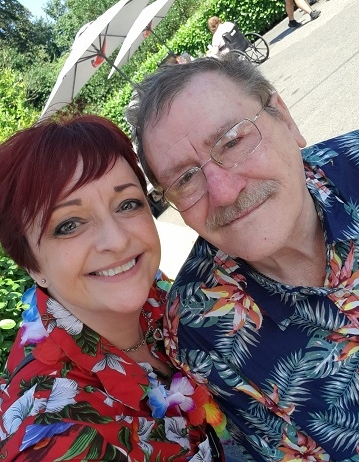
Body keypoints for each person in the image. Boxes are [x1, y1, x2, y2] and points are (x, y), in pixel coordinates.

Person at [126, 53, 359, 461]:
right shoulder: (201, 329)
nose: (224, 191)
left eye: (232, 140)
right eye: (184, 179)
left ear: (285, 119)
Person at [0, 115, 228, 461]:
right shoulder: (56, 436)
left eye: (127, 204)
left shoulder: (154, 290)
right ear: (31, 264)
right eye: (69, 225)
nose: (117, 240)